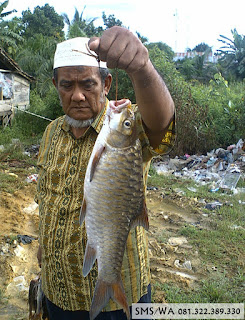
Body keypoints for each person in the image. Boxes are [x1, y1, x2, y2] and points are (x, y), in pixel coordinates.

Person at [35, 26, 175, 320]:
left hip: (118, 307)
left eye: (88, 84)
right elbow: (47, 200)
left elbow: (161, 124)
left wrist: (142, 69)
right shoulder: (50, 133)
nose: (78, 96)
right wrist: (42, 249)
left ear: (107, 83)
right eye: (66, 85)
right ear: (55, 85)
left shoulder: (127, 128)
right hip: (58, 293)